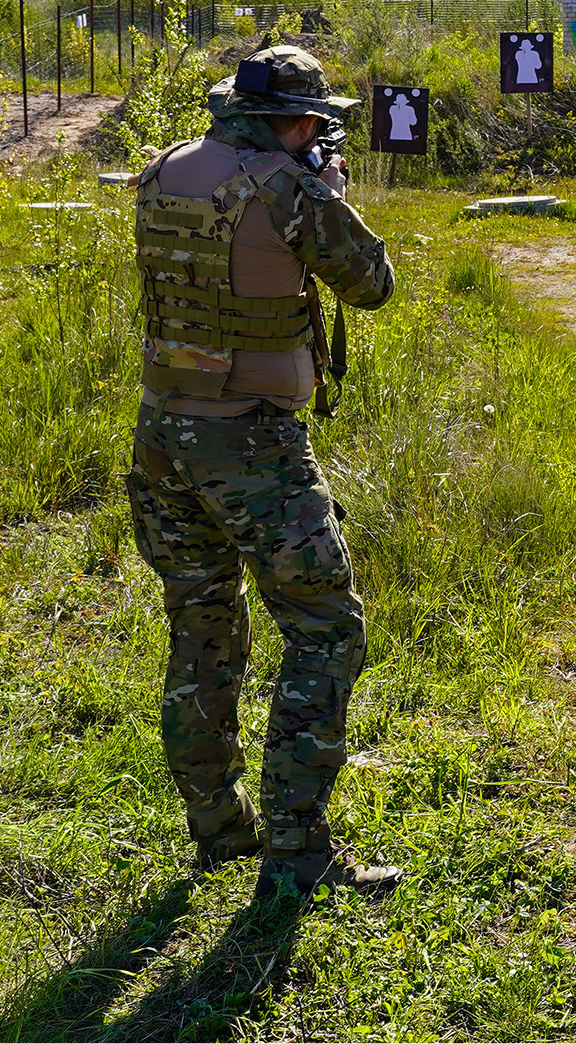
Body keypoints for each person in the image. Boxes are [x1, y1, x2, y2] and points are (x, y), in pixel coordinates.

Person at [126, 45, 400, 897]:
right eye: (313, 123)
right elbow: (372, 284)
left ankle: (218, 827)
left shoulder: (164, 169)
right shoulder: (290, 191)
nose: (317, 135)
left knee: (201, 624)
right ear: (291, 122)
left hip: (162, 435)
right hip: (251, 443)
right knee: (326, 630)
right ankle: (295, 848)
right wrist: (328, 192)